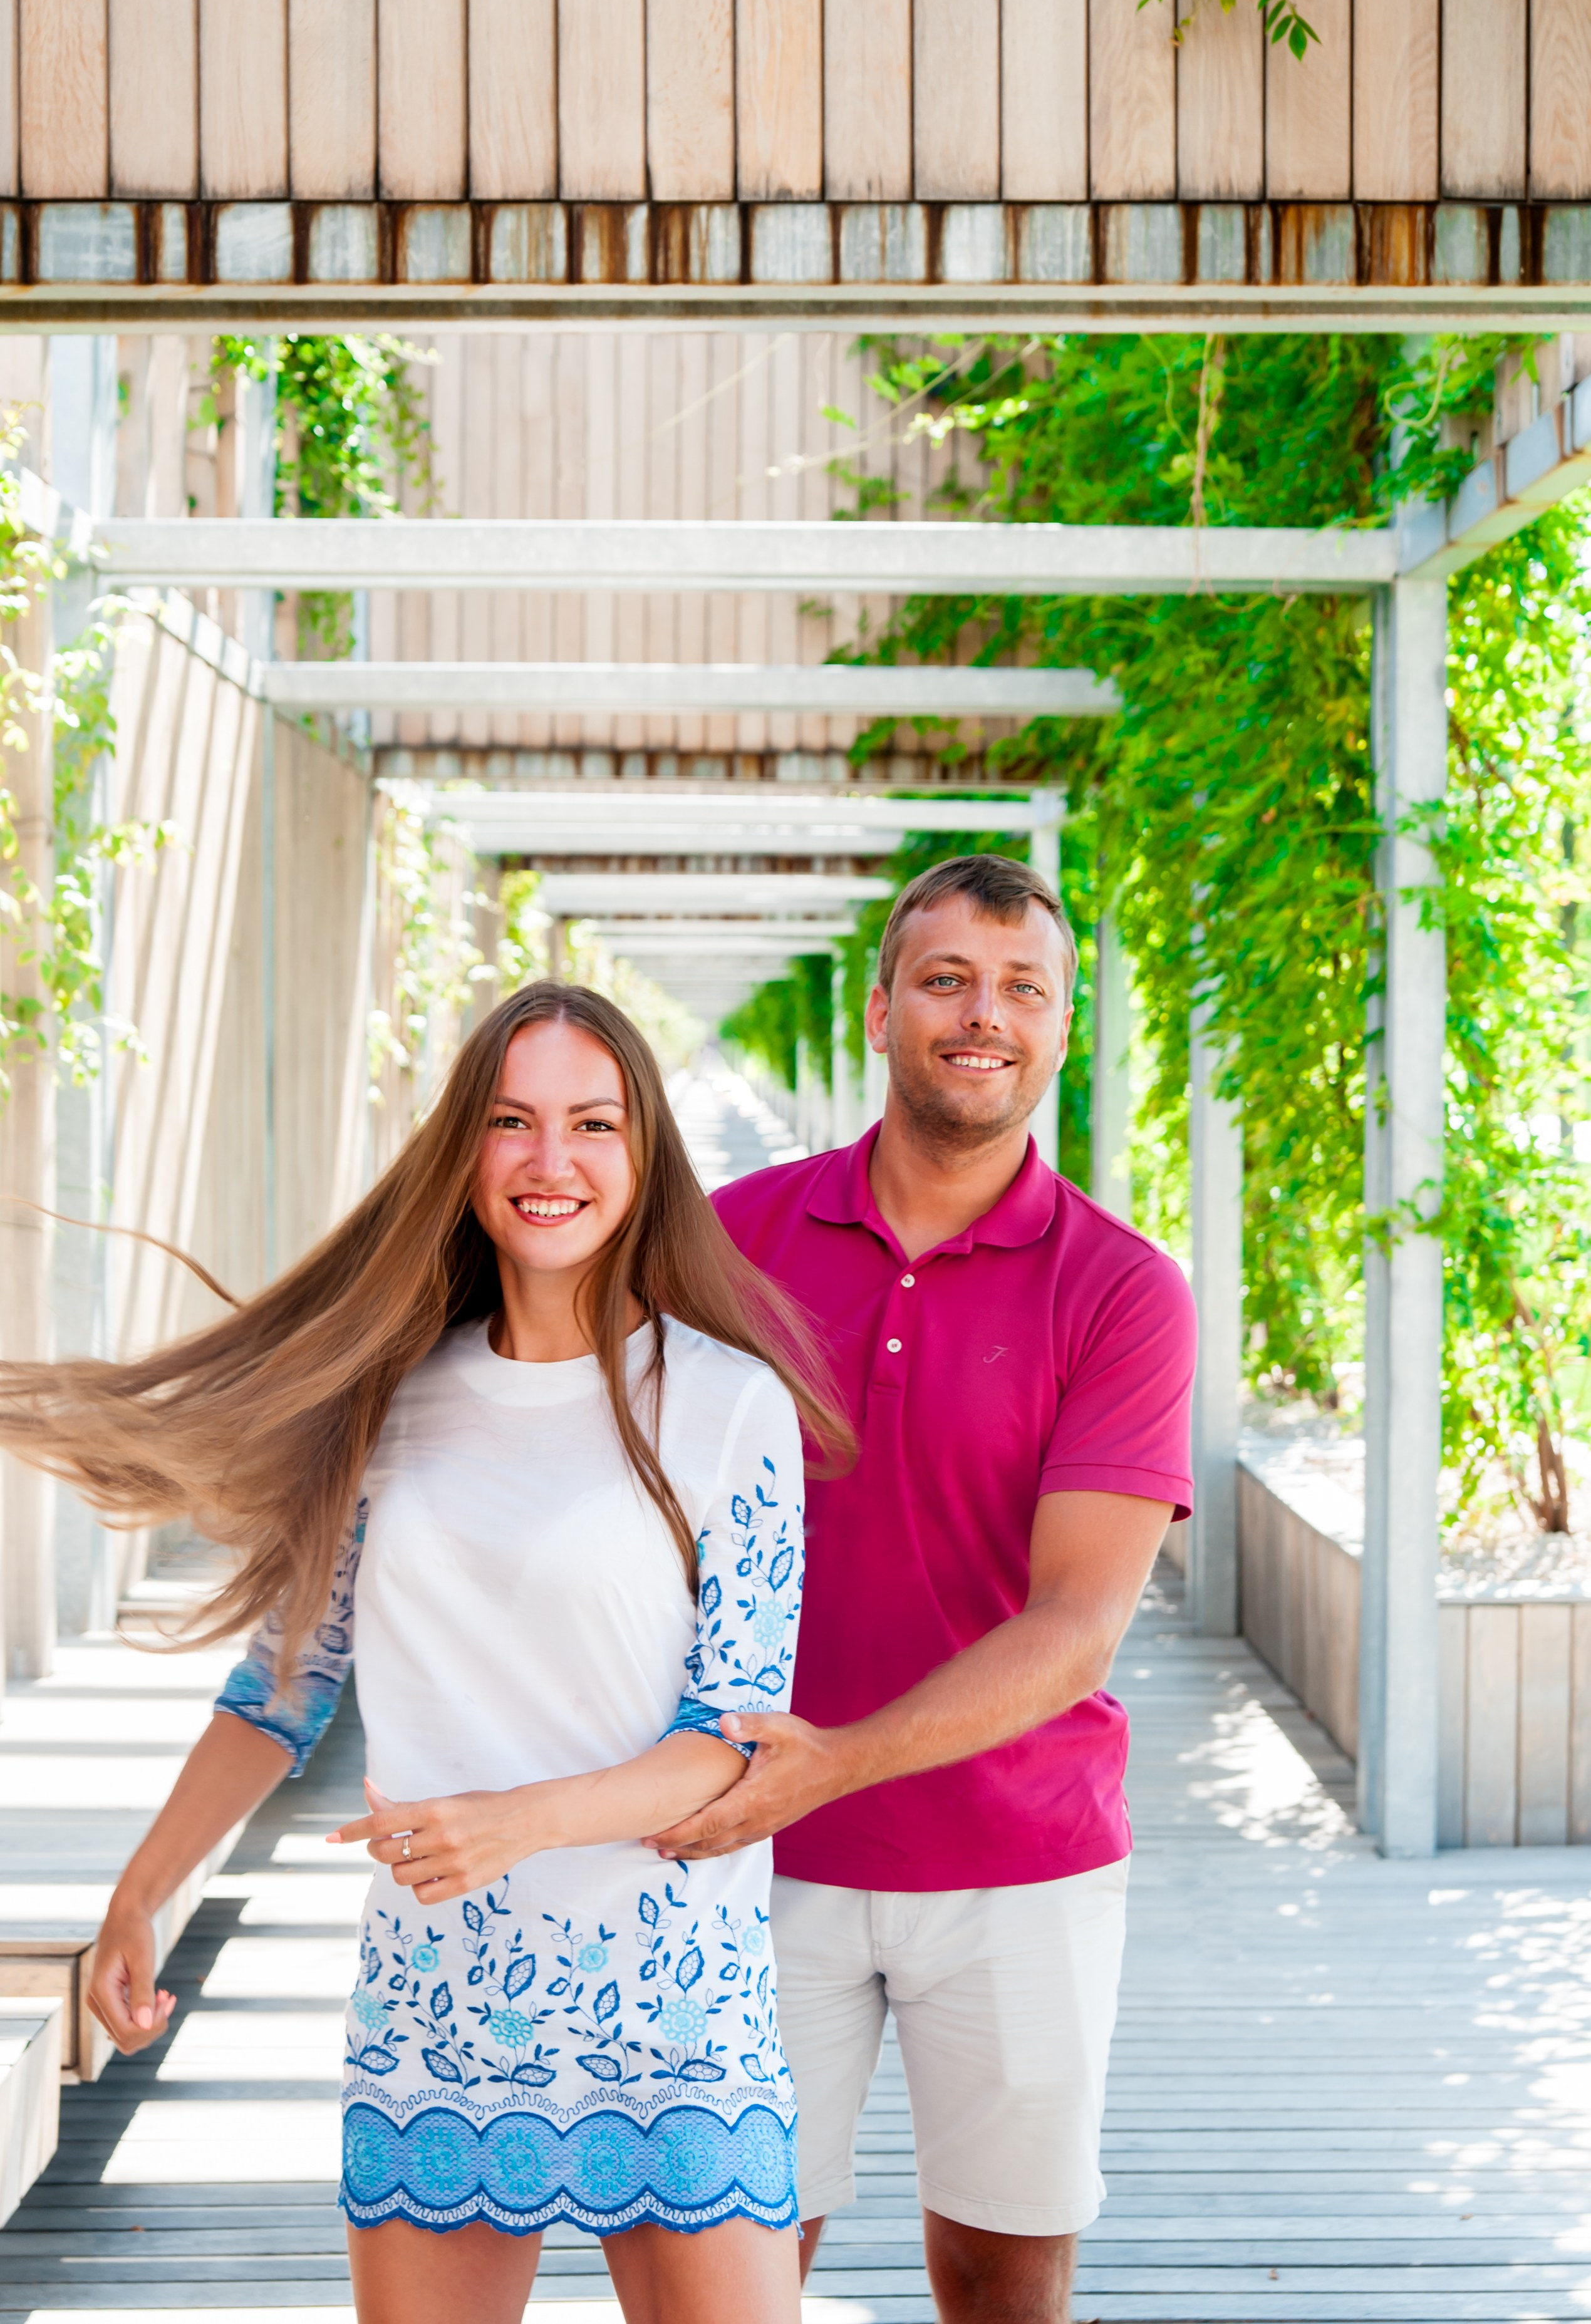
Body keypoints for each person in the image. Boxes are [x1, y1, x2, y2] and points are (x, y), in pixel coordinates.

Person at [0, 981, 853, 2324]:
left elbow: (733, 1740)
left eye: (593, 1123)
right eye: (511, 1121)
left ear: (646, 1156)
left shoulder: (727, 1403)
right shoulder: (387, 1396)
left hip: (675, 2008)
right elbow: (282, 1686)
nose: (550, 1158)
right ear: (462, 1149)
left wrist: (519, 1820)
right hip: (442, 2000)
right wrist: (140, 1891)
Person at [651, 854, 1198, 2324]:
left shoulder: (1122, 1289)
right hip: (748, 1850)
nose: (983, 1016)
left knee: (1003, 2276)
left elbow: (1076, 1627)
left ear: (1063, 1027)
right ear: (882, 1008)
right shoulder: (728, 1241)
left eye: (1023, 987)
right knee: (731, 2273)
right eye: (947, 979)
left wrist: (835, 1761)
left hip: (1019, 1854)